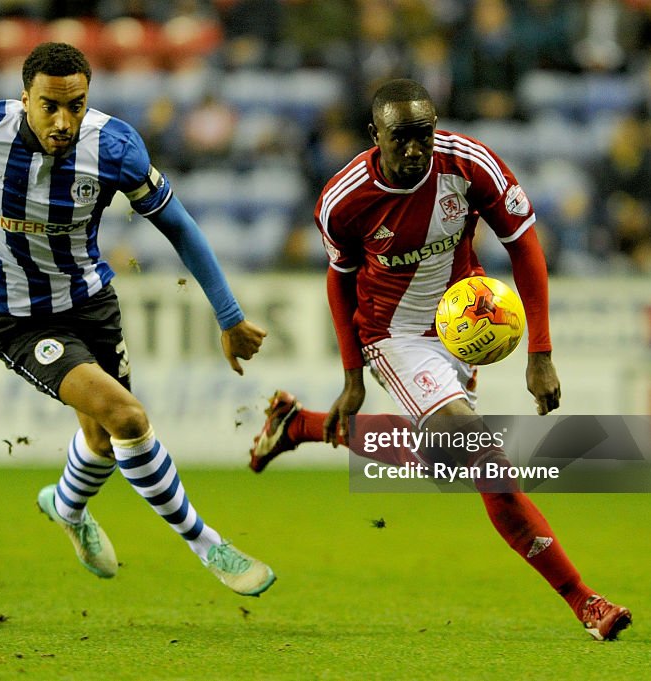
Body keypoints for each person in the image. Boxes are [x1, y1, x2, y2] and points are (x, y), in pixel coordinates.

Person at [0, 42, 275, 597]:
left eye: (75, 105)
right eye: (50, 105)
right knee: (127, 418)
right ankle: (209, 545)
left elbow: (180, 226)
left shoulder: (114, 146)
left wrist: (229, 316)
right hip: (19, 322)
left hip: (92, 303)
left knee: (99, 439)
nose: (64, 120)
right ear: (25, 98)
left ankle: (66, 507)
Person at [249, 78, 631, 638]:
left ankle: (299, 424)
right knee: (486, 463)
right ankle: (585, 601)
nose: (414, 148)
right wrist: (352, 376)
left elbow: (524, 245)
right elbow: (340, 284)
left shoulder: (470, 165)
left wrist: (540, 353)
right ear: (373, 136)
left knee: (451, 464)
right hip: (393, 335)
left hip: (460, 325)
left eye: (423, 134)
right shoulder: (343, 200)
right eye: (400, 137)